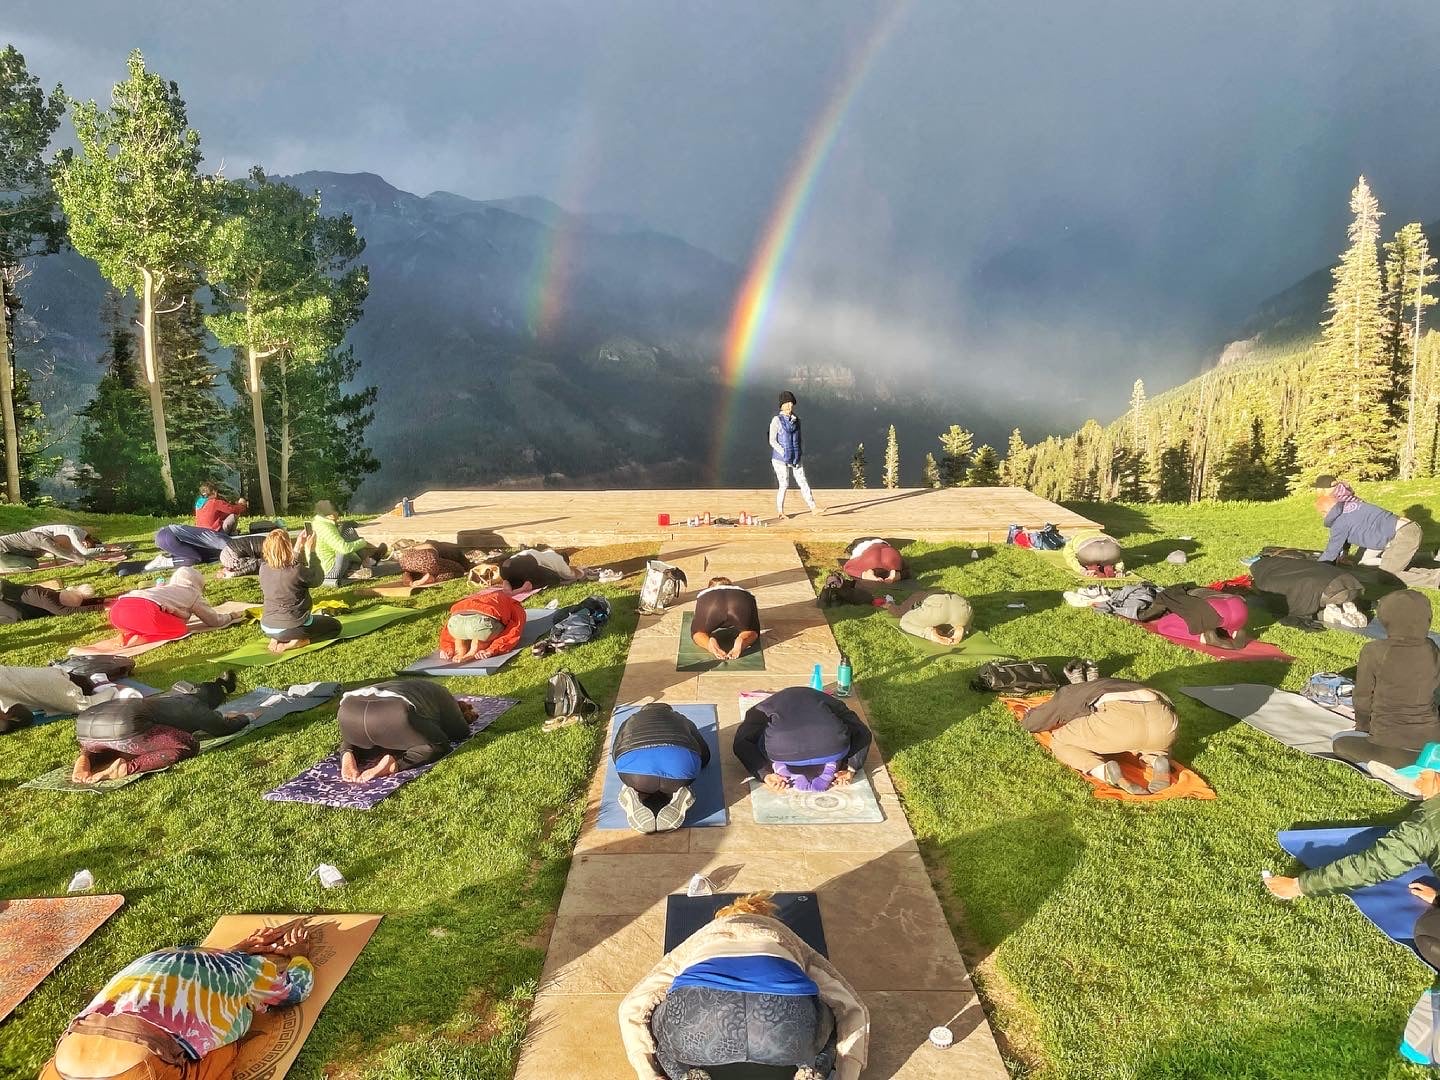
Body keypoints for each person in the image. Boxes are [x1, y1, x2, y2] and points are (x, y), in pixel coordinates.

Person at [1263, 770, 1440, 1066]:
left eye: (1422, 775)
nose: (1415, 783)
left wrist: (1299, 885)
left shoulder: (1431, 819)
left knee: (1428, 932)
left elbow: (1374, 865)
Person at [618, 891, 868, 1080]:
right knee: (830, 1022)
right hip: (783, 1025)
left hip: (701, 1021)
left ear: (724, 917)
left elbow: (634, 1005)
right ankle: (812, 1070)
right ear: (763, 916)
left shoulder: (701, 938)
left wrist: (646, 1070)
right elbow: (849, 1005)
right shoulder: (784, 935)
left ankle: (685, 1072)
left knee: (662, 1034)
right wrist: (848, 1069)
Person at [38, 918, 313, 1080]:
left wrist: (237, 949)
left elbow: (204, 961)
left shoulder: (155, 958)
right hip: (139, 1070)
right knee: (225, 1049)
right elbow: (295, 990)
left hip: (62, 1066)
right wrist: (300, 954)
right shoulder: (243, 969)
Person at [1330, 590, 1440, 772]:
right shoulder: (1431, 648)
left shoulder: (1374, 650)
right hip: (1432, 735)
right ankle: (1427, 756)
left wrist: (1362, 727)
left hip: (1387, 739)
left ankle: (1406, 761)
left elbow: (1363, 696)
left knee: (1339, 741)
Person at [70, 675, 247, 784]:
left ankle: (85, 757)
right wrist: (246, 716)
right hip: (125, 730)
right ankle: (126, 768)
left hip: (86, 729)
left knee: (112, 738)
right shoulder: (195, 706)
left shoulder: (164, 697)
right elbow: (225, 728)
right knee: (187, 744)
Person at [1019, 678, 1178, 794]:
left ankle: (1103, 771)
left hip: (1121, 720)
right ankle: (1158, 759)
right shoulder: (1120, 683)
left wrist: (1029, 717)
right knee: (1151, 741)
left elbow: (1036, 722)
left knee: (1060, 741)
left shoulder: (1070, 692)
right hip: (1164, 720)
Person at [734, 686, 871, 793]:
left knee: (761, 736)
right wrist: (852, 768)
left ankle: (781, 767)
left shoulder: (765, 705)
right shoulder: (829, 701)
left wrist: (764, 773)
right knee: (839, 737)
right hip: (831, 746)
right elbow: (862, 732)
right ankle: (832, 762)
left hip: (784, 749)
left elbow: (742, 740)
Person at [337, 680, 477, 781]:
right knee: (438, 746)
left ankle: (348, 753)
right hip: (394, 712)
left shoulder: (416, 685)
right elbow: (461, 732)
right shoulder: (443, 694)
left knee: (360, 737)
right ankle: (394, 764)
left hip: (348, 710)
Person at [612, 701, 711, 833]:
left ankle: (637, 795)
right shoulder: (681, 718)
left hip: (637, 777)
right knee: (672, 782)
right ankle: (677, 794)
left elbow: (615, 751)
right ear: (669, 710)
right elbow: (705, 753)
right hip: (680, 773)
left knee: (641, 784)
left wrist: (627, 769)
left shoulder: (630, 719)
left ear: (643, 710)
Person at [1316, 478, 1435, 586]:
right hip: (1402, 531)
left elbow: (1330, 553)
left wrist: (1316, 570)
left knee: (1386, 576)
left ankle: (1436, 579)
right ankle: (1431, 565)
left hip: (1403, 535)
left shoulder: (1339, 523)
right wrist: (1345, 554)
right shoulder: (1349, 504)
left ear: (1324, 512)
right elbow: (1344, 536)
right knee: (1374, 564)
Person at [107, 566, 239, 647]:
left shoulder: (167, 589)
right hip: (146, 609)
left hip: (117, 611)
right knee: (179, 629)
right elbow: (214, 620)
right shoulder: (192, 593)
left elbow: (178, 614)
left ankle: (126, 634)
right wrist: (230, 616)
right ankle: (143, 639)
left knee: (144, 623)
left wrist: (179, 612)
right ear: (198, 583)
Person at [258, 528, 341, 655]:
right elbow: (317, 578)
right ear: (287, 547)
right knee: (335, 626)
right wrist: (311, 551)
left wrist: (298, 545)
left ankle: (276, 639)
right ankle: (299, 642)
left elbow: (286, 567)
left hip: (267, 627)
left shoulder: (263, 569)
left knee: (286, 627)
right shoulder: (297, 571)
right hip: (292, 627)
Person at [1249, 554, 1365, 626]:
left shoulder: (1267, 582)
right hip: (1352, 583)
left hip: (1329, 591)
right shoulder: (1287, 564)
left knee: (1314, 602)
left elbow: (1280, 605)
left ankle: (1329, 614)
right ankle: (1346, 603)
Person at [770, 390, 820, 520]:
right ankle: (780, 512)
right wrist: (783, 452)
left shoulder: (797, 420)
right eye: (786, 403)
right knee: (784, 484)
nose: (789, 406)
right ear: (781, 405)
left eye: (791, 403)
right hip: (779, 459)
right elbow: (772, 440)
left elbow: (799, 438)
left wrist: (800, 451)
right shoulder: (776, 420)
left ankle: (813, 508)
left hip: (796, 456)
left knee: (802, 481)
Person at [438, 589, 526, 662]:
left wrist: (447, 648)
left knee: (460, 631)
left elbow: (448, 628)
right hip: (480, 624)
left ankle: (459, 652)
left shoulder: (472, 599)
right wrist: (492, 650)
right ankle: (473, 651)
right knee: (482, 632)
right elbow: (514, 629)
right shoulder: (513, 604)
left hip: (456, 621)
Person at [311, 500, 385, 585]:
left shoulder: (317, 522)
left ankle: (355, 570)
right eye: (337, 513)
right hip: (330, 572)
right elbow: (344, 549)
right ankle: (368, 562)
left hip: (321, 569)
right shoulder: (326, 528)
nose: (338, 516)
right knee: (348, 533)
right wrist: (362, 542)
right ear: (331, 515)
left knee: (346, 531)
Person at [691, 577, 761, 661]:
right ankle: (742, 640)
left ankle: (709, 644)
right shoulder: (741, 591)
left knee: (697, 633)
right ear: (730, 585)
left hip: (711, 604)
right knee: (752, 631)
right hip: (740, 602)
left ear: (710, 588)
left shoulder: (705, 594)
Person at [470, 547, 583, 593]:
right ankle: (526, 586)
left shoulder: (541, 553)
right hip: (527, 566)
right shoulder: (558, 559)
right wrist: (581, 571)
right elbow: (569, 575)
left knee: (509, 579)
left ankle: (508, 588)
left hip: (507, 566)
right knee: (554, 578)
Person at [890, 590, 973, 646]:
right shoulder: (944, 592)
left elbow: (899, 611)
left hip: (937, 607)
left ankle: (931, 634)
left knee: (904, 622)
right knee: (962, 617)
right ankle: (961, 628)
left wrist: (889, 605)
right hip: (961, 605)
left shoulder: (918, 594)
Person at [0, 579, 102, 623]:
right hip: (13, 606)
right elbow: (70, 610)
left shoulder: (50, 596)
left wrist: (100, 603)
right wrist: (101, 604)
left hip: (15, 604)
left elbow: (71, 609)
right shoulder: (49, 601)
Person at [396, 539, 477, 586]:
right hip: (427, 558)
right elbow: (460, 569)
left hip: (405, 561)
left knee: (423, 567)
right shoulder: (457, 554)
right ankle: (430, 577)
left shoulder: (439, 545)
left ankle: (408, 574)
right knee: (459, 571)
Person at [0, 526, 87, 568]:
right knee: (32, 564)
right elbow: (61, 552)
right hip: (1, 552)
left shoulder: (41, 539)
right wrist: (83, 560)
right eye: (59, 545)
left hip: (7, 551)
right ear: (57, 542)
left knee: (33, 562)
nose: (58, 547)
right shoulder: (42, 539)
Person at [153, 524, 230, 567]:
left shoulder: (217, 537)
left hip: (166, 535)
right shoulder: (222, 540)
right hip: (168, 537)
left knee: (199, 555)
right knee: (194, 559)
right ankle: (165, 561)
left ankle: (167, 557)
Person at [841, 538, 906, 583]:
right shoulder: (886, 545)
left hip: (872, 556)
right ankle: (897, 574)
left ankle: (866, 574)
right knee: (904, 568)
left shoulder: (861, 545)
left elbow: (847, 567)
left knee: (848, 568)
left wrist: (862, 574)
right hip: (891, 553)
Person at [31, 523, 110, 558]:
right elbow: (85, 552)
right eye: (86, 545)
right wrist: (104, 550)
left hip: (35, 536)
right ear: (85, 541)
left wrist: (102, 546)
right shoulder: (73, 533)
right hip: (34, 538)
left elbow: (89, 544)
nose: (84, 546)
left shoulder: (78, 531)